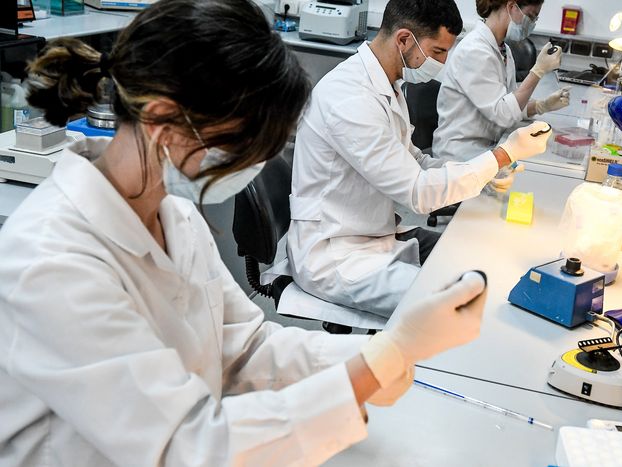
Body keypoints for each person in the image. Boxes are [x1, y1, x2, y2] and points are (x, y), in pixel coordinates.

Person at [0, 1, 492, 465]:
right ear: (163, 120)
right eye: (241, 143)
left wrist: (384, 351)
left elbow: (244, 349)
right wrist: (366, 375)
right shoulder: (52, 261)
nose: (252, 163)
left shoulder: (176, 217)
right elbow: (184, 447)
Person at [288, 0, 552, 318]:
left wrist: (486, 171)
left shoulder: (387, 85)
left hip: (375, 234)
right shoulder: (351, 100)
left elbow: (416, 161)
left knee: (477, 256)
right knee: (464, 304)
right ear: (403, 40)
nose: (441, 63)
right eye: (438, 52)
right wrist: (501, 155)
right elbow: (418, 193)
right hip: (339, 256)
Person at [433, 0, 570, 165]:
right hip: (460, 156)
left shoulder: (503, 50)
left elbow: (510, 101)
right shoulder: (475, 51)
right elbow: (504, 113)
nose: (532, 24)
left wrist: (541, 106)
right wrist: (537, 71)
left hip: (486, 148)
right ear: (512, 7)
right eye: (531, 16)